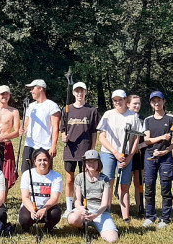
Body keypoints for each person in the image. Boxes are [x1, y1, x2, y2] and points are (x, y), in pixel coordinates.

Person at [97, 89, 142, 222]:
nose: (118, 102)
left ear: (125, 101)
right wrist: (115, 152)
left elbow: (136, 139)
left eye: (120, 100)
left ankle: (125, 215)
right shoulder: (108, 114)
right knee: (108, 183)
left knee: (124, 184)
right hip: (109, 153)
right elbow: (102, 137)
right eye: (115, 100)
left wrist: (129, 157)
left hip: (126, 155)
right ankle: (106, 211)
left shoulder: (133, 116)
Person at [60, 82, 99, 219]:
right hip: (70, 150)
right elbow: (62, 129)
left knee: (84, 178)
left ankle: (83, 204)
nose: (79, 93)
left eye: (82, 91)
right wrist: (64, 137)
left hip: (85, 149)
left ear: (86, 92)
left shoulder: (92, 110)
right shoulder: (67, 109)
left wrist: (93, 149)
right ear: (73, 93)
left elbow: (94, 132)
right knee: (70, 178)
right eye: (77, 91)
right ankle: (69, 207)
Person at [142, 91, 173, 228]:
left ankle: (165, 218)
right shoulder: (148, 120)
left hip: (165, 158)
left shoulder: (171, 119)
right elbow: (147, 140)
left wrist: (166, 151)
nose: (156, 103)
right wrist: (162, 138)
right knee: (149, 187)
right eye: (153, 101)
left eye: (159, 100)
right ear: (151, 104)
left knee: (166, 188)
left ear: (164, 102)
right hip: (150, 157)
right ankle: (150, 216)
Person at [67, 150, 118, 243]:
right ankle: (82, 226)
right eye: (89, 161)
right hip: (84, 211)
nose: (92, 164)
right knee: (72, 219)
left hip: (100, 212)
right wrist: (81, 208)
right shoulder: (80, 177)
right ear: (85, 163)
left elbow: (104, 204)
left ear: (99, 163)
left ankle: (101, 228)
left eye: (94, 161)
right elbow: (77, 200)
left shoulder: (105, 179)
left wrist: (95, 215)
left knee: (112, 239)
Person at [20, 79, 61, 173]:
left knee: (44, 173)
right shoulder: (30, 106)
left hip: (45, 145)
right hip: (30, 145)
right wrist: (23, 129)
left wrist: (53, 146)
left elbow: (55, 127)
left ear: (41, 88)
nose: (31, 91)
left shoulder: (52, 106)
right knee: (26, 172)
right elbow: (26, 124)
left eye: (32, 88)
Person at [18, 149, 62, 235]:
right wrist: (31, 210)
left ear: (49, 162)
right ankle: (26, 228)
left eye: (45, 160)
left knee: (55, 213)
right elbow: (25, 197)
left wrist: (43, 209)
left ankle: (48, 228)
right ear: (34, 162)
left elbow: (54, 198)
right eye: (39, 160)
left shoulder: (56, 176)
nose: (42, 162)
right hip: (31, 206)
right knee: (24, 218)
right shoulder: (27, 174)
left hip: (47, 207)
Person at [127, 94, 146, 217]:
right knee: (126, 182)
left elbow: (146, 138)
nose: (137, 106)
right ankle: (126, 208)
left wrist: (140, 146)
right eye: (134, 103)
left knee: (139, 182)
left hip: (140, 155)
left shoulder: (143, 119)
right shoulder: (125, 118)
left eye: (139, 103)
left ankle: (140, 207)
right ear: (128, 104)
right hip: (127, 154)